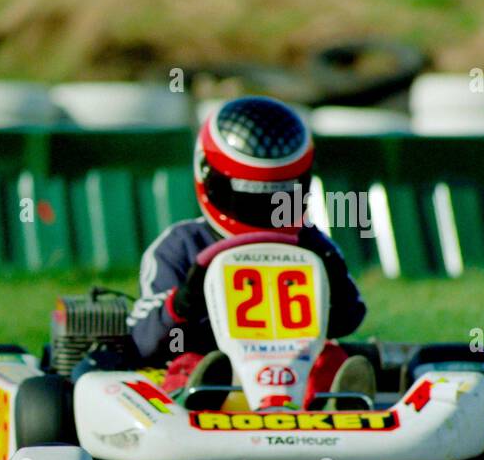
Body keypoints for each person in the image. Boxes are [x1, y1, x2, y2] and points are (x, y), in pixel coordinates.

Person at [125, 95, 374, 408]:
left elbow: (347, 320)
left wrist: (333, 279)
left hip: (296, 370)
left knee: (333, 356)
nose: (262, 212)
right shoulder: (181, 245)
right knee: (186, 363)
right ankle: (200, 399)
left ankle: (341, 403)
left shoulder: (312, 245)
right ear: (207, 175)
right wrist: (183, 302)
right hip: (214, 366)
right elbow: (143, 341)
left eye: (277, 198)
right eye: (248, 197)